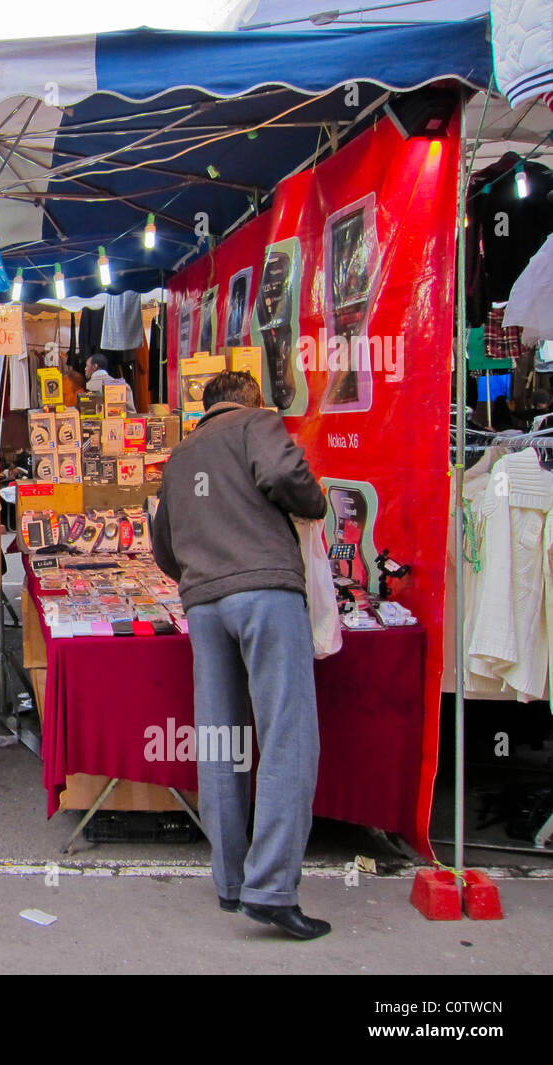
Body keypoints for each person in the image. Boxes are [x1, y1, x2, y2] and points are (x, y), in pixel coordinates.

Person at [151, 371, 330, 940]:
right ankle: (272, 888)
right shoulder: (258, 424)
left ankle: (231, 882)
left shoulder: (180, 457)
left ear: (205, 406)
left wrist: (201, 577)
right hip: (265, 592)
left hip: (204, 604)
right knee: (286, 733)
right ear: (251, 399)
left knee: (220, 737)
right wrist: (315, 502)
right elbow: (283, 473)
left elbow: (163, 546)